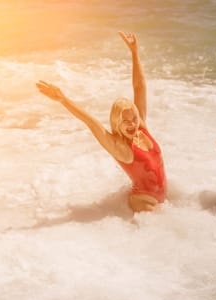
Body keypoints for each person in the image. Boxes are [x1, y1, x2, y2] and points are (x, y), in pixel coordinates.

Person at [36, 32, 166, 212]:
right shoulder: (118, 145)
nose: (132, 124)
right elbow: (89, 121)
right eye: (125, 121)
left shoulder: (141, 128)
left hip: (163, 200)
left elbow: (139, 87)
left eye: (134, 118)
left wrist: (134, 53)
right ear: (116, 123)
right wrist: (63, 99)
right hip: (143, 201)